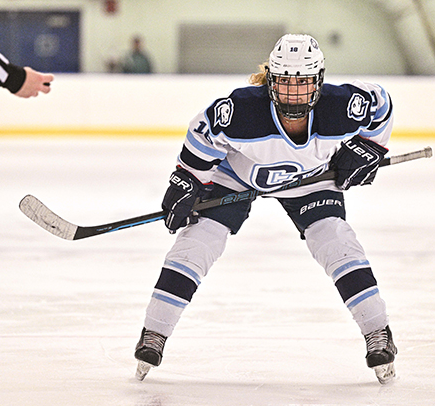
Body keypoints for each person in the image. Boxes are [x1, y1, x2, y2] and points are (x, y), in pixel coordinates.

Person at [134, 34, 397, 385]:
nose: (293, 92)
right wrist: (187, 181)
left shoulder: (342, 104)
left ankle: (378, 332)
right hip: (237, 175)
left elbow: (382, 104)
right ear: (271, 80)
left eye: (303, 82)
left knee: (334, 239)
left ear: (318, 80)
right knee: (198, 241)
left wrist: (369, 147)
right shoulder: (241, 110)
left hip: (311, 178)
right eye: (285, 81)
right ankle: (154, 333)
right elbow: (202, 134)